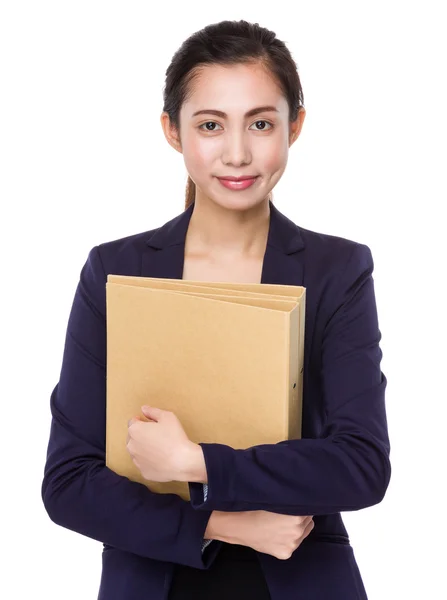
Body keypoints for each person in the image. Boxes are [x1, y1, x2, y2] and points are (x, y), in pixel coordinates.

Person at [41, 19, 391, 600]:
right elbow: (69, 482)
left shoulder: (338, 271)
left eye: (260, 123)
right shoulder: (115, 271)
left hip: (299, 581)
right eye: (210, 125)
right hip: (153, 580)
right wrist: (221, 523)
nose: (237, 153)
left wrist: (198, 461)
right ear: (172, 132)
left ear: (294, 126)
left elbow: (360, 466)